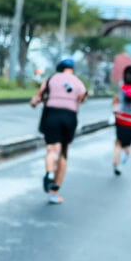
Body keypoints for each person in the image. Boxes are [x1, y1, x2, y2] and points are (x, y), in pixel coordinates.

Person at [31, 58, 87, 204]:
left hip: (51, 115)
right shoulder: (78, 82)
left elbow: (37, 97)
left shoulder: (51, 79)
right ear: (72, 69)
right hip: (69, 116)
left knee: (52, 149)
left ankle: (49, 173)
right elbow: (82, 96)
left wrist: (35, 102)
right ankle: (54, 192)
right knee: (63, 152)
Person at [112, 65, 131, 175]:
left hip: (120, 117)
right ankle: (121, 164)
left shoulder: (121, 87)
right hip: (130, 120)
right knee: (128, 147)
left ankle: (115, 162)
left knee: (118, 142)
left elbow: (115, 100)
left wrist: (114, 112)